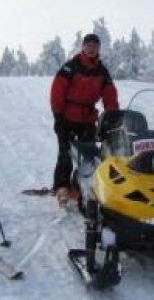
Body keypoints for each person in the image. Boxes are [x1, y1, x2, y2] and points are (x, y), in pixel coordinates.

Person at [50, 33, 119, 207]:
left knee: (89, 156)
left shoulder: (102, 71)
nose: (91, 48)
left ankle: (82, 185)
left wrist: (113, 117)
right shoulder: (70, 67)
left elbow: (110, 95)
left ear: (98, 48)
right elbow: (57, 92)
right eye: (88, 45)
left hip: (88, 119)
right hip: (68, 117)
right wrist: (58, 117)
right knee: (65, 153)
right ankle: (62, 187)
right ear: (83, 47)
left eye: (95, 45)